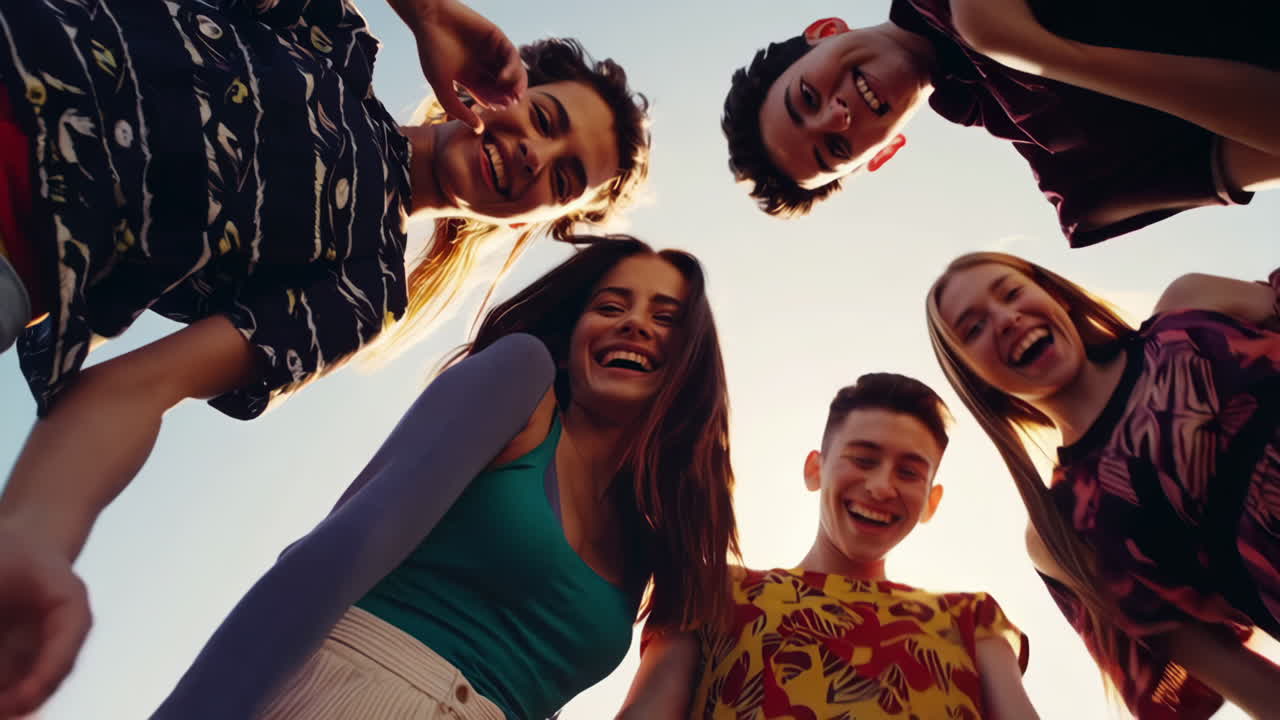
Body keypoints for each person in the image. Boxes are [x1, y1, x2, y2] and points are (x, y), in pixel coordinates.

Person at [0, 1, 649, 713]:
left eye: (563, 181)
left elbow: (139, 388)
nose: (538, 156)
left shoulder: (358, 290)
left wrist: (35, 534)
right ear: (501, 87)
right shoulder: (335, 44)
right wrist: (427, 15)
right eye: (548, 121)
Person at [138, 236, 739, 720]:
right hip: (352, 694)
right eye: (611, 306)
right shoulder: (521, 378)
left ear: (689, 364)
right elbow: (339, 550)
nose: (635, 324)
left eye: (666, 318)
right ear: (572, 339)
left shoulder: (656, 539)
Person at [926, 252, 1280, 717]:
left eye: (1011, 293)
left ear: (1051, 293)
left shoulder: (1191, 306)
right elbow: (1231, 670)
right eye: (973, 329)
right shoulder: (1061, 528)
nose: (1007, 318)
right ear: (973, 378)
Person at [616, 373, 1037, 719]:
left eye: (909, 472)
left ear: (931, 501)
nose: (881, 487)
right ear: (815, 469)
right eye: (863, 459)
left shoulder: (972, 619)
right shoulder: (711, 590)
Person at [722, 0, 1280, 246]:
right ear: (882, 156)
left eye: (807, 96)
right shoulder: (1080, 185)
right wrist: (1026, 48)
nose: (837, 113)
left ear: (825, 29)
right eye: (835, 146)